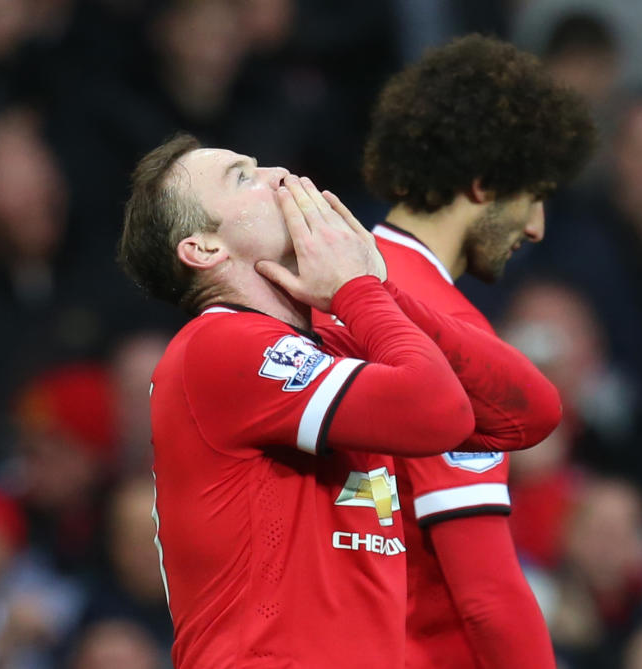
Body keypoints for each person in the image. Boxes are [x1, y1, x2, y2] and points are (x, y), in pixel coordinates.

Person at [116, 134, 543, 667]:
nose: (278, 175)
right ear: (203, 249)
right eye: (243, 177)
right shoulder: (216, 348)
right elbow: (439, 412)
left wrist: (380, 293)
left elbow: (529, 411)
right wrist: (361, 290)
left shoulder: (336, 342)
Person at [350, 34, 596, 669]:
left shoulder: (329, 288)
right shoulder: (449, 336)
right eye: (532, 194)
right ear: (484, 185)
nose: (537, 226)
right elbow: (487, 593)